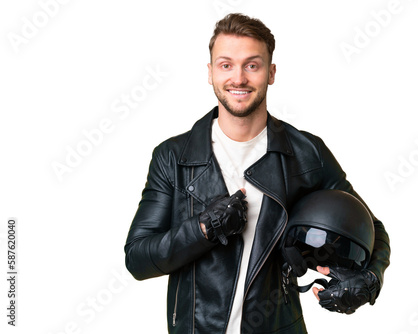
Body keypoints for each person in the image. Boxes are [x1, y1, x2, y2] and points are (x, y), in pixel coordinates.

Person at [124, 13, 390, 334]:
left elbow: (370, 227)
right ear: (210, 73)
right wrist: (205, 228)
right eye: (226, 65)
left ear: (271, 72)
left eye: (252, 65)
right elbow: (138, 258)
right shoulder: (172, 157)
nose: (238, 78)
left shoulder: (306, 152)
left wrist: (369, 279)